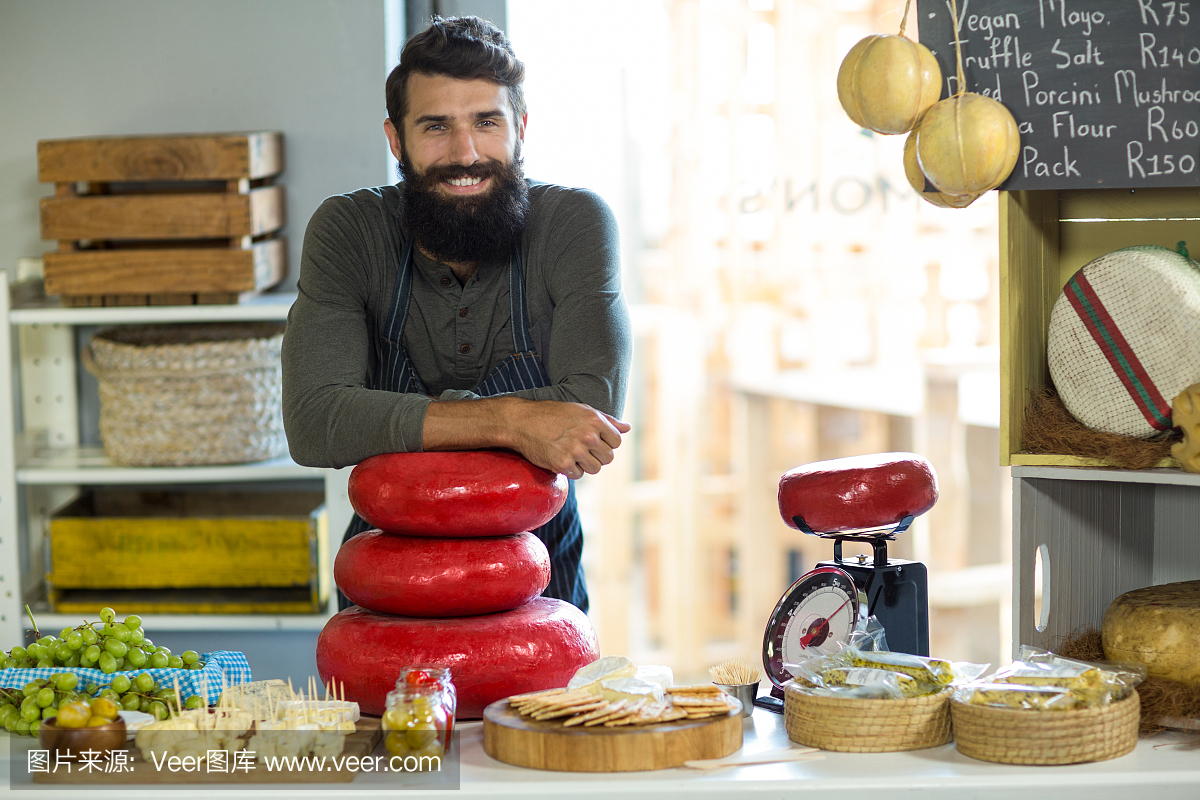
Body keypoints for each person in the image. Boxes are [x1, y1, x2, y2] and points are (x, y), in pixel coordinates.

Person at [281, 15, 633, 613]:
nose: (465, 153)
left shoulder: (574, 223)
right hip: (387, 580)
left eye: (486, 122)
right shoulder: (348, 230)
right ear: (395, 139)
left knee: (546, 709)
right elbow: (315, 421)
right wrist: (516, 424)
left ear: (520, 128)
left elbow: (591, 419)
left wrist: (390, 418)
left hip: (538, 579)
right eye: (436, 126)